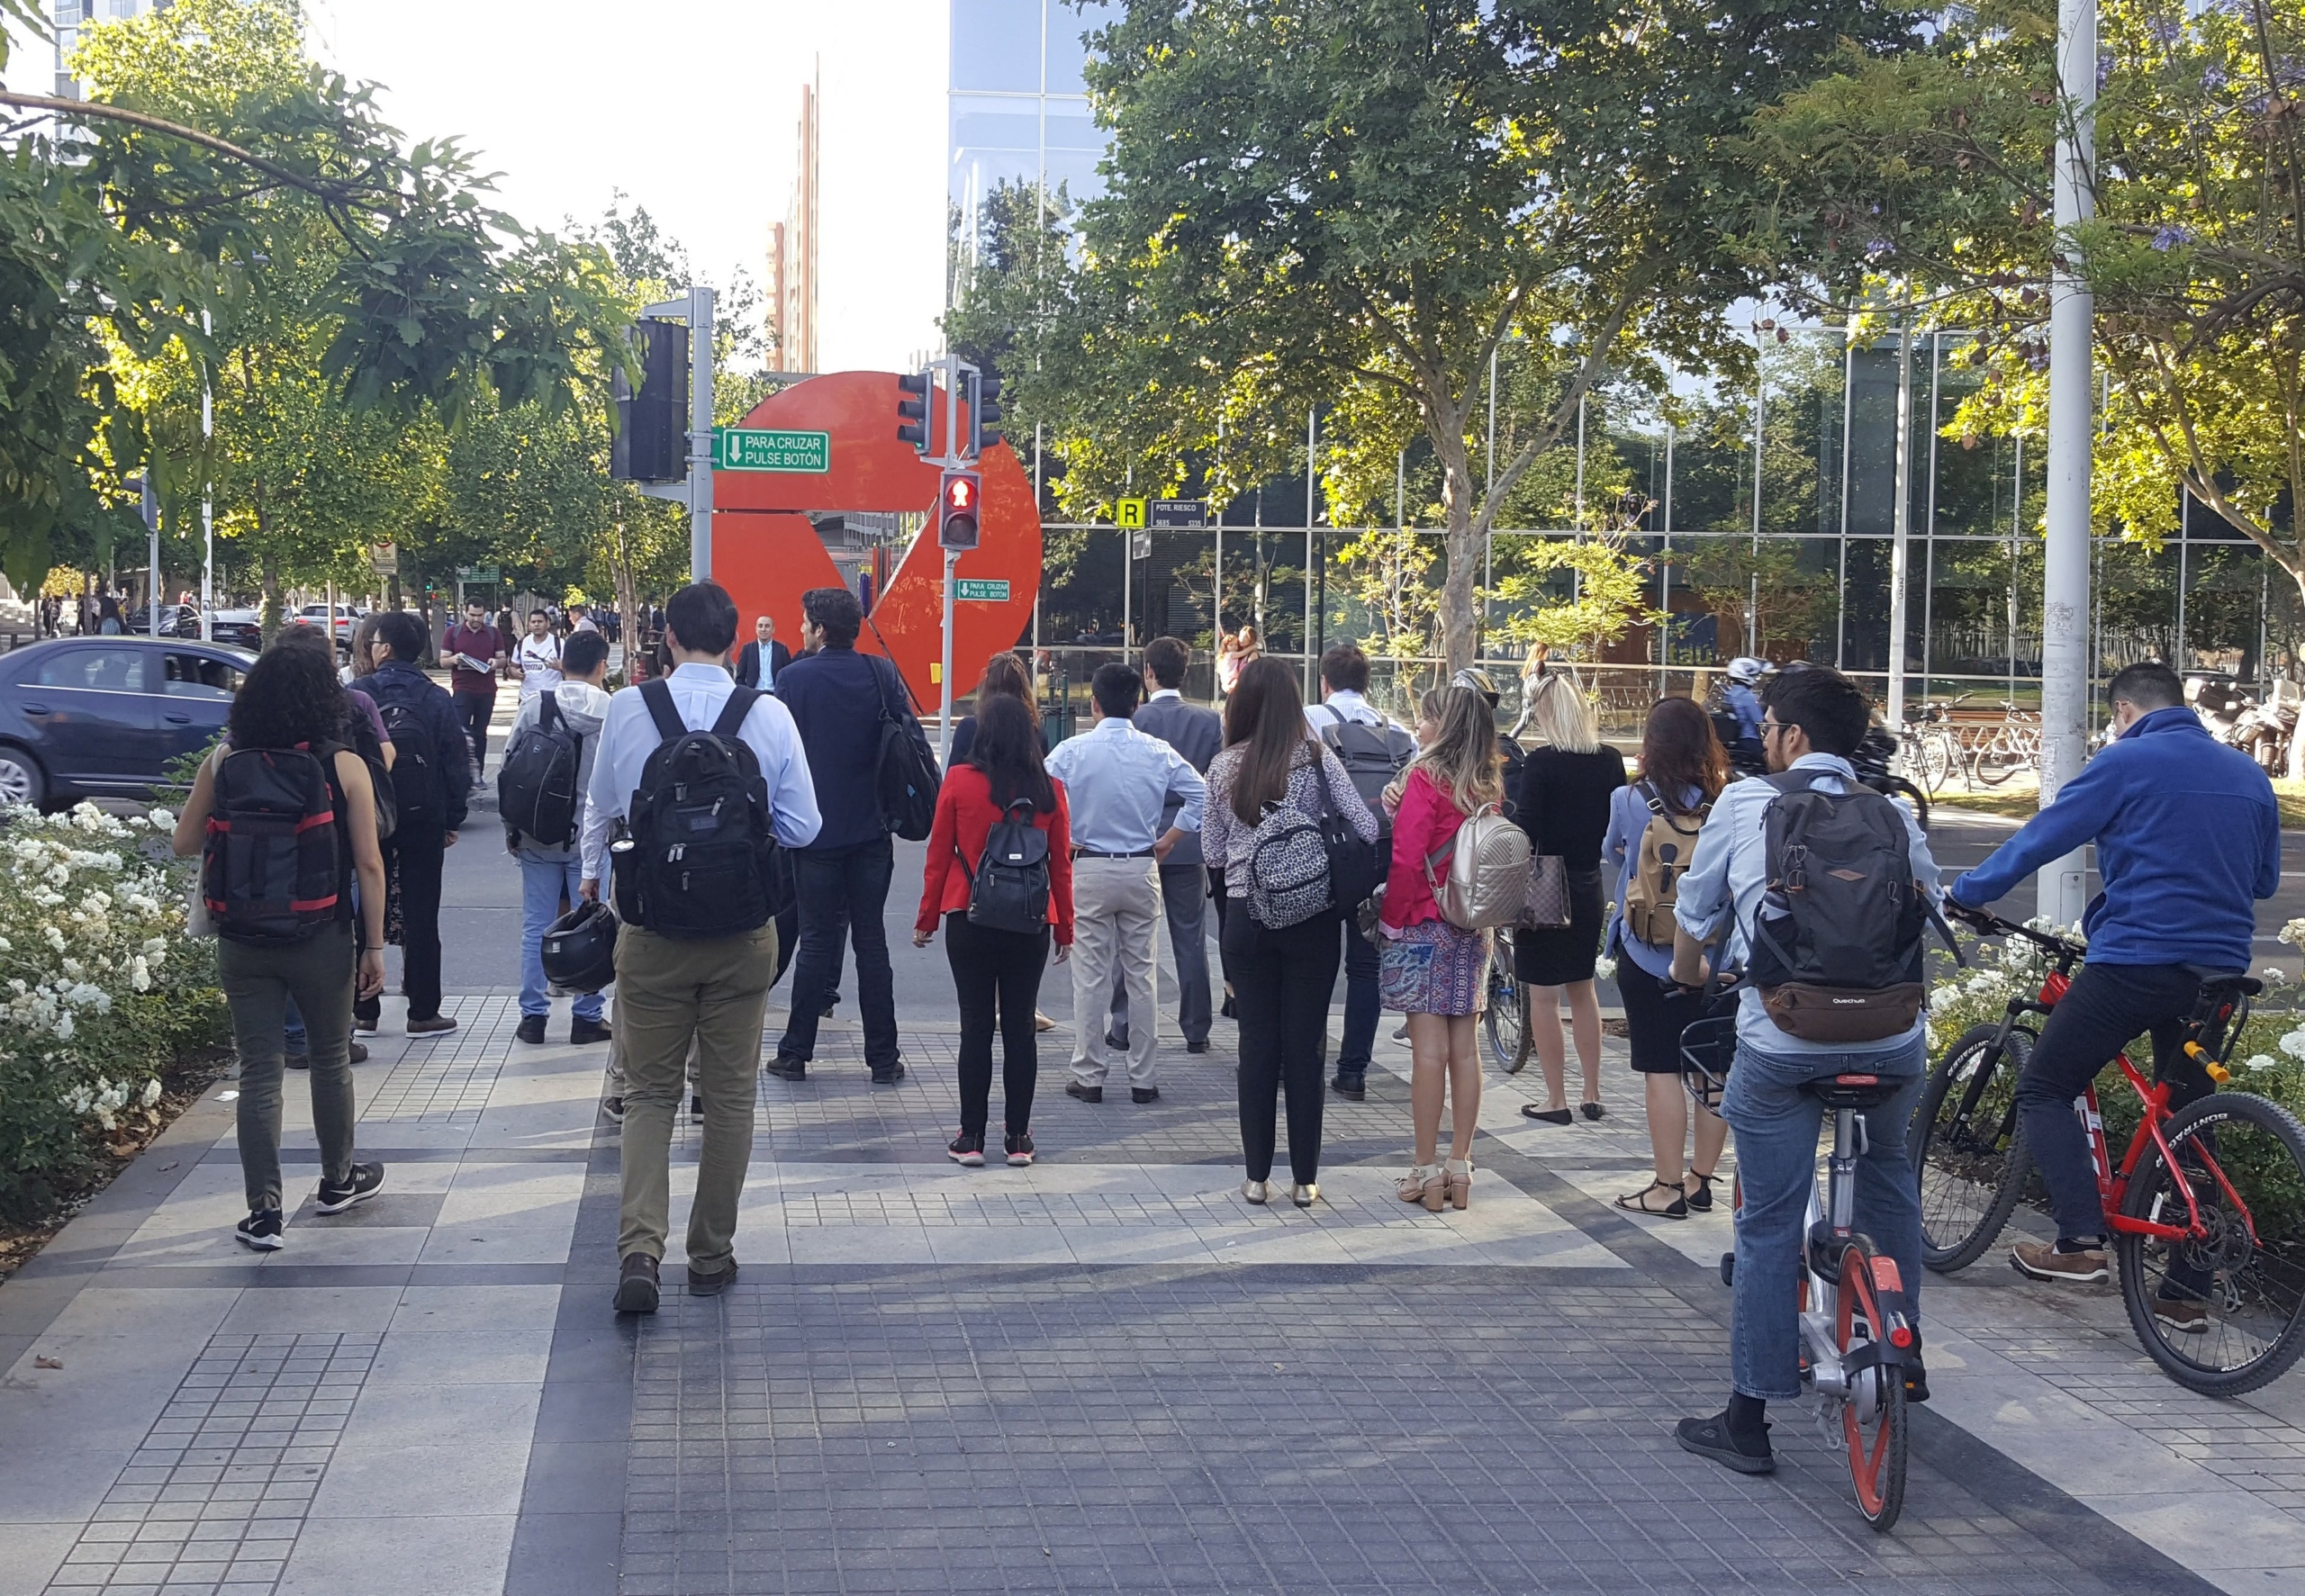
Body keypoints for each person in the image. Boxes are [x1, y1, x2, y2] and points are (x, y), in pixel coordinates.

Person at [1669, 663, 1940, 1476]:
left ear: (1786, 733)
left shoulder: (1747, 802)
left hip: (1786, 1037)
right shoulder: (1891, 811)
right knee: (1890, 1173)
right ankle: (1906, 1352)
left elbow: (1696, 912)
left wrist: (1691, 972)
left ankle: (1748, 1417)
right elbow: (1929, 900)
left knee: (1768, 1221)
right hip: (1894, 1038)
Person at [1946, 661, 2280, 1310]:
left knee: (2045, 1084)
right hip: (2221, 973)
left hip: (2136, 961)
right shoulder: (2248, 774)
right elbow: (2263, 882)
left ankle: (2078, 1244)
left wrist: (1968, 892)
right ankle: (2186, 1288)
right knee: (2188, 1119)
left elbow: (2043, 837)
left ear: (2124, 712)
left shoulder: (2125, 762)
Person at [579, 581, 819, 1312]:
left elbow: (603, 806)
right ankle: (710, 1254)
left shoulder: (629, 707)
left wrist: (591, 881)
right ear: (738, 636)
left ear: (669, 639)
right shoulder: (768, 714)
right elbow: (805, 826)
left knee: (648, 1093)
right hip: (744, 935)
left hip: (651, 930)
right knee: (730, 1097)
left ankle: (639, 1254)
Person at [171, 638, 390, 1249]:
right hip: (322, 936)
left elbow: (185, 843)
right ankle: (337, 1180)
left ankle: (263, 1213)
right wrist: (374, 947)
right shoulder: (342, 764)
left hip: (241, 938)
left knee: (260, 1068)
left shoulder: (225, 759)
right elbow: (369, 864)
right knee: (328, 1057)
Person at [1202, 658, 1378, 1204]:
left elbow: (1210, 851)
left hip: (1244, 920)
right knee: (1305, 1046)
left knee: (1256, 1044)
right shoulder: (1319, 761)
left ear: (1242, 706)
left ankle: (1256, 1178)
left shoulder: (1225, 767)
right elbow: (1367, 827)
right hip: (1314, 920)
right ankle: (1306, 1180)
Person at [765, 586, 935, 1085]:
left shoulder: (792, 680)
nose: (799, 630)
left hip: (814, 833)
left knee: (815, 940)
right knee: (872, 942)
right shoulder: (880, 672)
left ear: (819, 629)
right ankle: (883, 1058)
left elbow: (779, 757)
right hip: (872, 829)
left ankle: (796, 1053)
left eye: (803, 623)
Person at [915, 693, 1077, 1167]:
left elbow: (938, 855)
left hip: (969, 915)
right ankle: (1020, 1139)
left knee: (976, 1026)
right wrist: (1065, 926)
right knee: (1021, 1027)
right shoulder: (1049, 789)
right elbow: (1060, 866)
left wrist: (926, 918)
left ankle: (971, 1138)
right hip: (1030, 920)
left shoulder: (960, 783)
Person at [1045, 663, 1207, 1105]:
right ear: (1137, 704)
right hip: (1141, 866)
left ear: (1094, 703)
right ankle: (1143, 1077)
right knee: (1143, 976)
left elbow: (1041, 799)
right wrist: (1170, 838)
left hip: (1090, 867)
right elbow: (1203, 794)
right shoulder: (1158, 751)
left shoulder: (1070, 752)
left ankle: (1090, 1073)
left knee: (1090, 976)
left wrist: (1067, 837)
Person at [1605, 698, 1731, 1217]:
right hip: (1714, 958)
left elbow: (1611, 853)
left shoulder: (1628, 800)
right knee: (1710, 1071)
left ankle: (1665, 1187)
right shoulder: (1727, 801)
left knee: (1661, 1070)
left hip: (1647, 951)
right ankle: (1701, 1180)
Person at [1381, 682, 1504, 1212]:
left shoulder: (1425, 779)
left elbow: (1408, 859)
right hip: (1473, 928)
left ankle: (1425, 1171)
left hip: (1423, 923)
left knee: (1427, 1054)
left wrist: (1390, 920)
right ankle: (1460, 1165)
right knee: (1465, 1051)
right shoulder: (1487, 782)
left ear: (1444, 723)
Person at [1512, 672, 1627, 1123]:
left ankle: (1555, 1098)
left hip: (1544, 881)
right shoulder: (1610, 760)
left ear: (1545, 712)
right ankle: (1592, 1092)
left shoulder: (1540, 763)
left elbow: (1528, 830)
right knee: (1583, 989)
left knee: (1543, 995)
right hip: (1588, 880)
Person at [1305, 642, 1416, 1100]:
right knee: (1365, 967)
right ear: (1367, 683)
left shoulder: (1309, 719)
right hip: (1381, 856)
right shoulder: (1399, 734)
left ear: (1325, 681)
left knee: (1313, 962)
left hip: (1325, 856)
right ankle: (1353, 1070)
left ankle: (1303, 1058)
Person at [360, 609, 472, 1037]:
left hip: (369, 816)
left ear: (384, 648)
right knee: (423, 912)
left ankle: (364, 1011)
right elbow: (455, 765)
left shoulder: (360, 693)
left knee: (364, 910)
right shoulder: (434, 698)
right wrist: (451, 818)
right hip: (423, 816)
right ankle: (423, 1012)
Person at [1112, 637, 1224, 1056]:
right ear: (1186, 672)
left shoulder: (1135, 720)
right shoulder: (1208, 722)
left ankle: (1122, 1025)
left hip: (1139, 838)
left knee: (1130, 935)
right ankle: (1196, 1028)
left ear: (1148, 673)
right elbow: (1212, 787)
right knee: (1190, 937)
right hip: (1189, 840)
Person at [505, 627, 614, 1047]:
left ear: (561, 662)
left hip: (537, 834)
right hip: (592, 837)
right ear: (602, 666)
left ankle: (533, 1016)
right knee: (594, 924)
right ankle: (587, 1016)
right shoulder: (614, 710)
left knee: (536, 924)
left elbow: (512, 771)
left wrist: (513, 829)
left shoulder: (536, 705)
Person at [441, 600, 508, 777]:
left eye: (479, 615)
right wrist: (454, 660)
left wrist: (496, 663)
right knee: (461, 733)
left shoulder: (493, 633)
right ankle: (462, 775)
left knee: (480, 734)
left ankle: (479, 774)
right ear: (465, 613)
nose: (476, 619)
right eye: (472, 615)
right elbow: (443, 661)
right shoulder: (453, 633)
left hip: (487, 691)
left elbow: (502, 659)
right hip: (462, 689)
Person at [949, 651, 1046, 765]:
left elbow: (952, 778)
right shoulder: (1036, 730)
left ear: (987, 686)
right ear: (1023, 689)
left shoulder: (969, 728)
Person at [514, 609, 564, 700]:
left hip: (553, 697)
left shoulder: (559, 643)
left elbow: (574, 669)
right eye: (533, 622)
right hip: (526, 698)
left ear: (548, 623)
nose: (536, 624)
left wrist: (562, 666)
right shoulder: (522, 644)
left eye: (540, 621)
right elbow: (512, 667)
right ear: (529, 625)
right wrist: (514, 672)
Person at [734, 613, 791, 690]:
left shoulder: (782, 650)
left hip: (775, 694)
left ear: (773, 629)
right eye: (760, 626)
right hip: (754, 693)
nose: (763, 629)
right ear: (756, 629)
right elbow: (740, 677)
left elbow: (788, 675)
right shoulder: (747, 649)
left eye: (767, 626)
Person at [1216, 623, 1258, 697]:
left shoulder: (1252, 655)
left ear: (1251, 639)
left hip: (1243, 691)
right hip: (1232, 689)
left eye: (1245, 637)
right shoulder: (1235, 654)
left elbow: (1249, 675)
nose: (1241, 639)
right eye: (1241, 636)